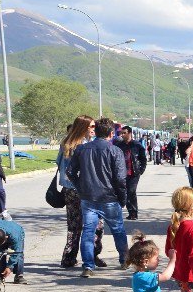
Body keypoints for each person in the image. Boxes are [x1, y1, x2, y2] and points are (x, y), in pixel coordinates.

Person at [66, 117, 129, 278]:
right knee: (117, 230)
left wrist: (81, 187)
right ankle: (124, 259)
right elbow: (121, 179)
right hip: (109, 197)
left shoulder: (82, 149)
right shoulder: (115, 151)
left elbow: (70, 172)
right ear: (111, 133)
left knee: (88, 231)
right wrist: (123, 199)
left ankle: (88, 266)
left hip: (88, 197)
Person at [57, 116, 104, 268]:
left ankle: (69, 258)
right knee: (96, 223)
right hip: (85, 190)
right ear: (83, 128)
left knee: (74, 225)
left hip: (69, 189)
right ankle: (92, 255)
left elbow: (59, 163)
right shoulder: (85, 146)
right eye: (91, 126)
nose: (94, 129)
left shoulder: (66, 143)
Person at [113, 123, 148, 220]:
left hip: (134, 173)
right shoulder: (119, 145)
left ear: (130, 133)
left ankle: (134, 212)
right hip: (122, 173)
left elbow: (143, 159)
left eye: (124, 133)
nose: (122, 135)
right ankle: (128, 211)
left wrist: (141, 170)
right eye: (121, 133)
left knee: (131, 192)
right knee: (123, 192)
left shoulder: (137, 145)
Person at [0, 220, 27, 284]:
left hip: (17, 231)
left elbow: (16, 252)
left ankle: (19, 276)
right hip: (1, 231)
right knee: (0, 254)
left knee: (19, 255)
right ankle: (0, 276)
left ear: (6, 238)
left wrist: (9, 267)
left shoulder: (15, 237)